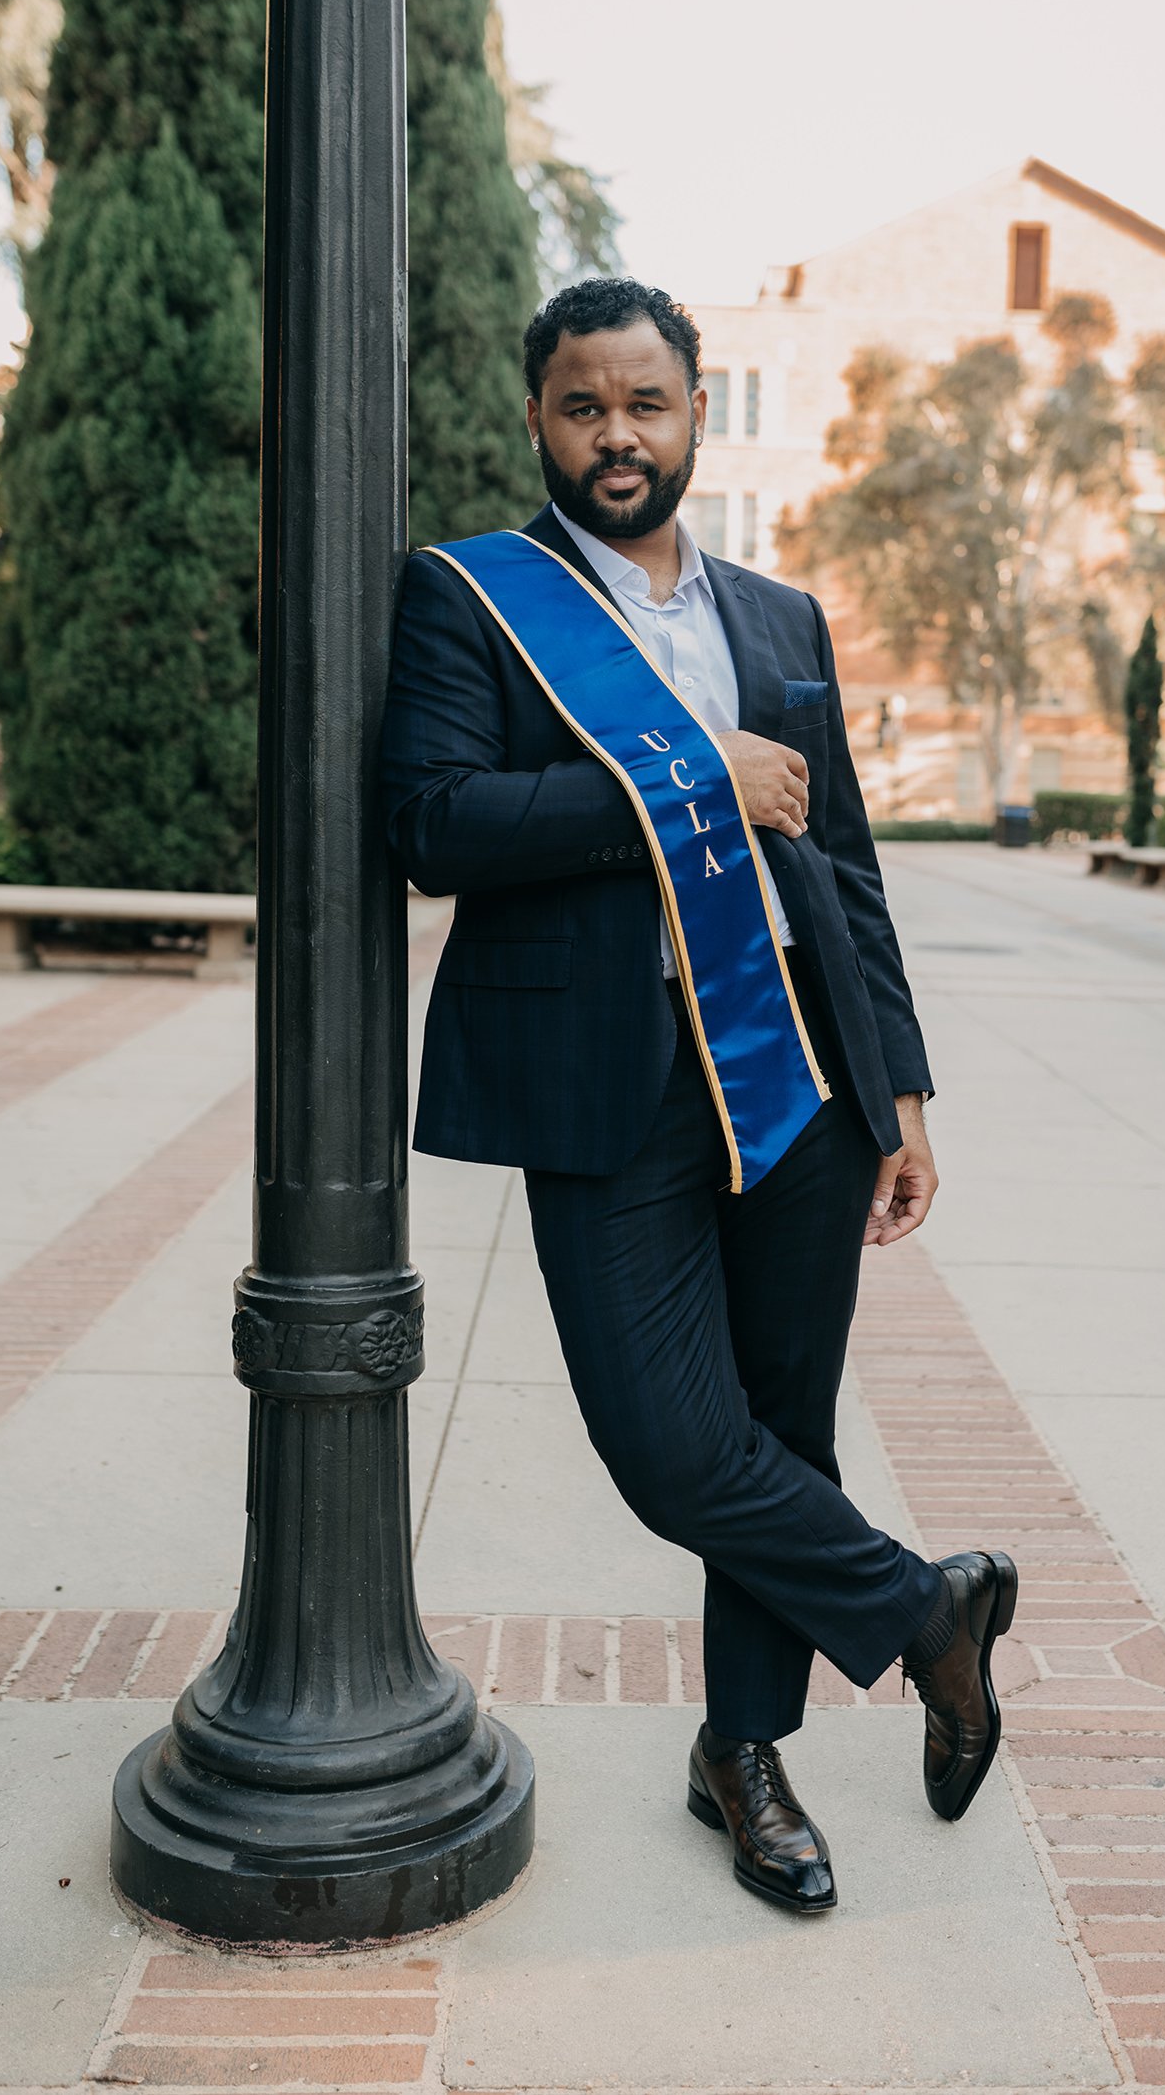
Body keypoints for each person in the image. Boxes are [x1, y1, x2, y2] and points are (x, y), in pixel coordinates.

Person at [381, 278, 1017, 1915]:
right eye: (583, 406)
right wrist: (686, 775)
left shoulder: (780, 619)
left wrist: (905, 1095)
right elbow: (438, 821)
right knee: (673, 1446)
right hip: (610, 1082)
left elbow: (849, 873)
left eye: (645, 405)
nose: (616, 436)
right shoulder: (472, 597)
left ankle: (744, 1754)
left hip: (796, 1074)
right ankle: (925, 1613)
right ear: (539, 417)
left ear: (694, 416)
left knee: (778, 1429)